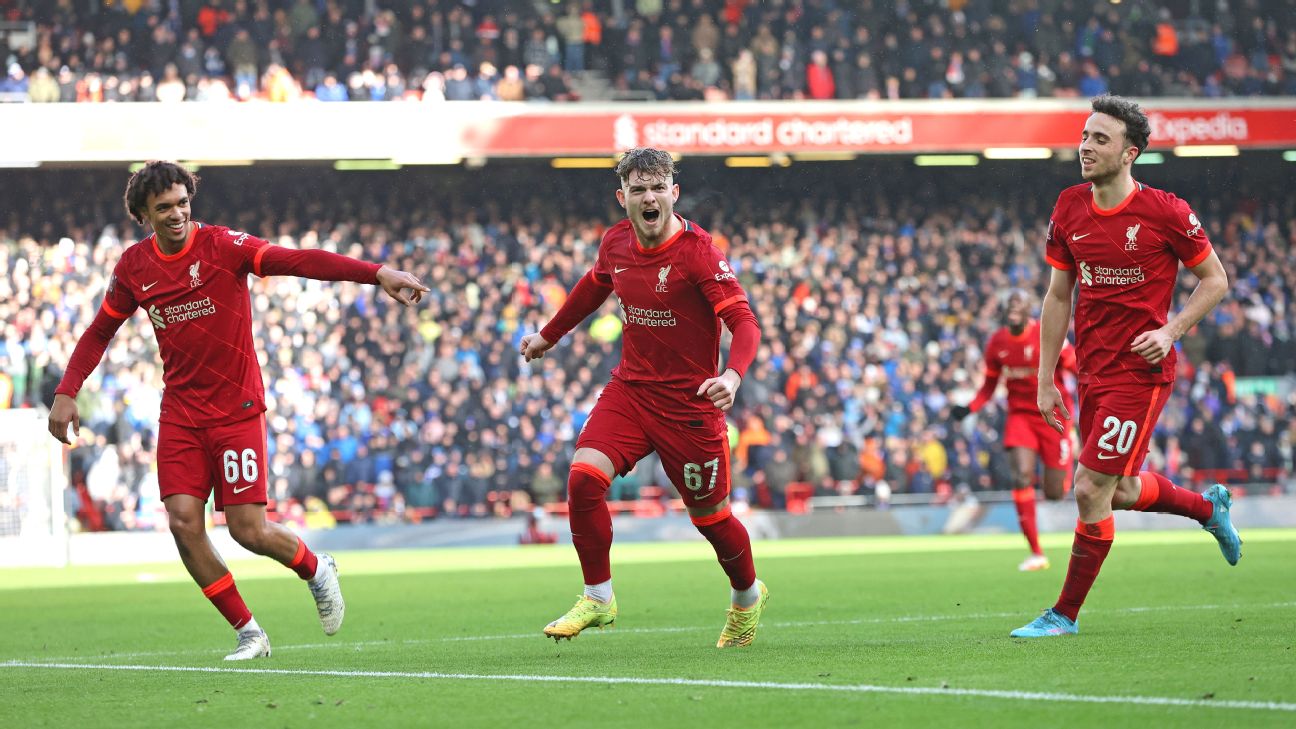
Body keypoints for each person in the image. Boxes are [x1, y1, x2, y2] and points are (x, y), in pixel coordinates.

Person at [47, 161, 428, 660]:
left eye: (183, 202)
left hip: (236, 408)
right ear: (143, 214)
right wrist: (67, 389)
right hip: (181, 413)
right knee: (183, 523)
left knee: (249, 531)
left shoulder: (223, 246)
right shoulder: (134, 268)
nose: (178, 213)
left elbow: (298, 260)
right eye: (164, 207)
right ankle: (249, 631)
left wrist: (376, 273)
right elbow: (101, 330)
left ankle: (315, 568)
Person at [520, 148, 768, 648]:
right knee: (584, 479)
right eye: (639, 190)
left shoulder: (698, 253)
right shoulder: (616, 242)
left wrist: (734, 376)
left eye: (659, 188)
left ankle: (746, 597)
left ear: (674, 193)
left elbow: (744, 322)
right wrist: (550, 335)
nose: (649, 197)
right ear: (623, 198)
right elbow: (594, 286)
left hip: (691, 406)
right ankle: (598, 596)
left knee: (713, 521)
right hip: (631, 392)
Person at [1011, 95, 1238, 638]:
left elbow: (1216, 280)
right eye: (1085, 136)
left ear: (1129, 152)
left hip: (1139, 371)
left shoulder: (1166, 211)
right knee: (1122, 491)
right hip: (1090, 370)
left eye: (1100, 139)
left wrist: (1170, 330)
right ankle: (1207, 509)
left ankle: (1063, 615)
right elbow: (1058, 296)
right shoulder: (1068, 206)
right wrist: (1047, 380)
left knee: (1089, 489)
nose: (1086, 147)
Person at [950, 289, 1077, 571]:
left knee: (1055, 492)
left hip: (1054, 415)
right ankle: (1036, 552)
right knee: (1020, 476)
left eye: (1019, 304)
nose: (1013, 307)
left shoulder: (1048, 333)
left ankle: (1069, 448)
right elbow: (989, 385)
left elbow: (1076, 367)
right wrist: (969, 407)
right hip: (1020, 415)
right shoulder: (997, 343)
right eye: (1010, 304)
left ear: (1030, 310)